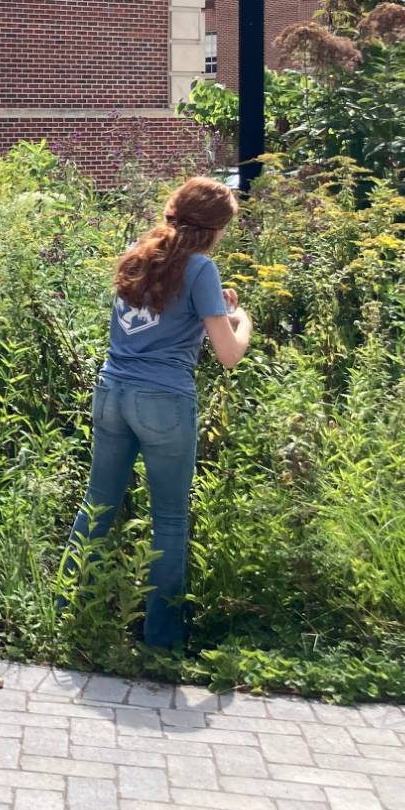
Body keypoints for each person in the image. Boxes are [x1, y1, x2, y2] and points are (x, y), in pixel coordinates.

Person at [61, 176, 253, 650]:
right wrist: (242, 319)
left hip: (111, 392)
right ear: (215, 229)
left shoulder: (138, 253)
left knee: (98, 505)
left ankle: (66, 609)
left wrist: (215, 307)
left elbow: (159, 313)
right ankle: (162, 639)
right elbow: (228, 353)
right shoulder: (201, 267)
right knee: (169, 518)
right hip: (163, 401)